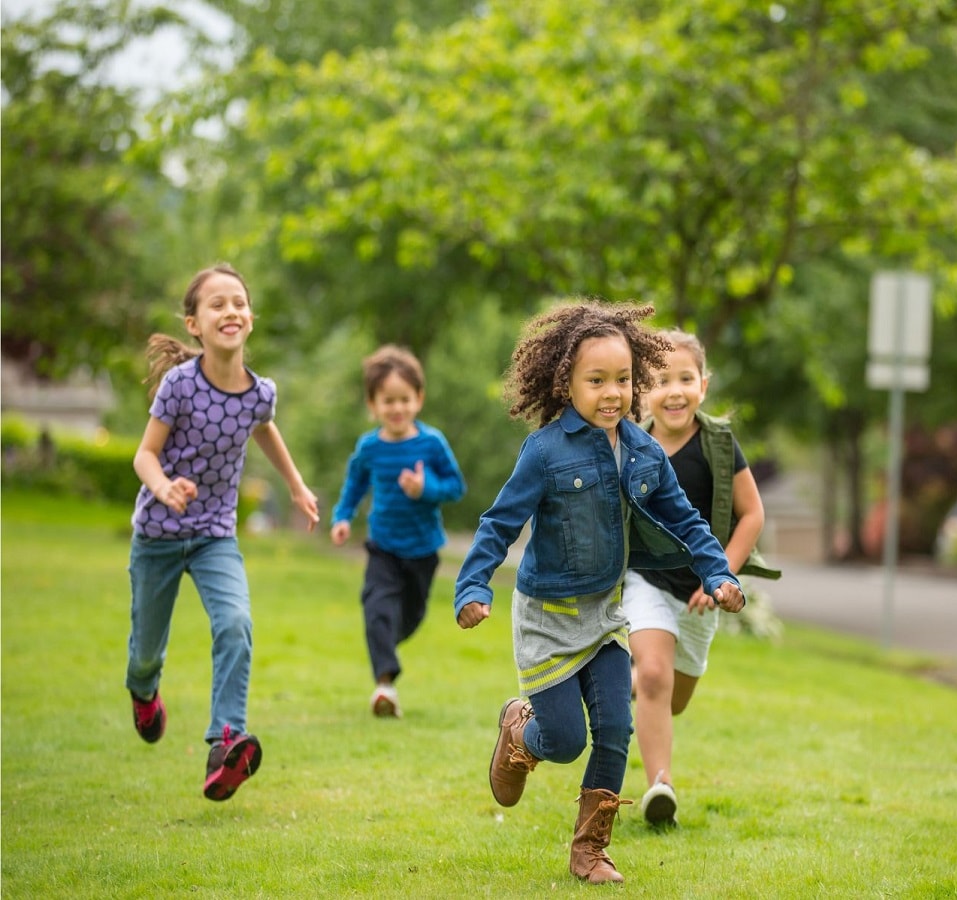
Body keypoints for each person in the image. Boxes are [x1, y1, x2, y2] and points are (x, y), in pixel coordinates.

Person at [454, 300, 746, 886]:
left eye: (622, 380)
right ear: (567, 382)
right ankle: (521, 731)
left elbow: (687, 520)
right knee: (562, 741)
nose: (612, 393)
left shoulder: (643, 450)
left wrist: (719, 574)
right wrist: (473, 585)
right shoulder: (544, 452)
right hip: (548, 618)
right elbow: (499, 523)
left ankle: (590, 850)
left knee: (615, 727)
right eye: (597, 381)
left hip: (607, 614)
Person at [125, 263, 320, 802]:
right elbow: (144, 454)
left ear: (250, 317)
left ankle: (226, 738)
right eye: (217, 304)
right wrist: (164, 488)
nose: (230, 310)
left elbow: (265, 431)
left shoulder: (260, 393)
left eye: (238, 302)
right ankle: (143, 691)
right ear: (194, 324)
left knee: (235, 622)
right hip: (159, 534)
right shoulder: (179, 386)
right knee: (145, 651)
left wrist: (299, 487)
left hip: (214, 534)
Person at [624, 329, 780, 827]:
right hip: (643, 580)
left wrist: (720, 577)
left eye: (685, 378)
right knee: (653, 675)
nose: (674, 390)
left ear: (703, 385)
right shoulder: (629, 444)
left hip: (699, 595)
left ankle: (632, 684)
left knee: (675, 699)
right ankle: (659, 786)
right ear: (641, 389)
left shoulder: (718, 444)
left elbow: (752, 514)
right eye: (661, 379)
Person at [330, 344, 466, 718]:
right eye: (387, 401)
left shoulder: (431, 443)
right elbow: (354, 485)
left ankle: (385, 644)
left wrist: (425, 490)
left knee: (407, 618)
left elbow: (455, 487)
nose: (396, 408)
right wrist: (342, 517)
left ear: (418, 399)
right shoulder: (369, 447)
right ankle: (384, 686)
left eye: (404, 399)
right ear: (372, 404)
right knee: (376, 607)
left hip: (422, 549)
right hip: (383, 545)